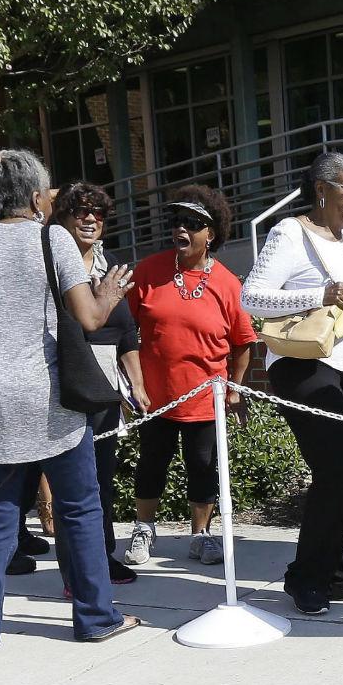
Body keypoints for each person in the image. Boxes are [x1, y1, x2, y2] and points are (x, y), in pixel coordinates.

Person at [0, 149, 138, 654]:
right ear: (31, 196)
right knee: (79, 509)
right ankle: (95, 616)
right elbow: (90, 319)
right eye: (47, 191)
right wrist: (109, 292)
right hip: (50, 402)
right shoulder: (54, 239)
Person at [241, 151, 343, 617]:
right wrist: (317, 294)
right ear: (321, 190)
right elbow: (251, 297)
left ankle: (335, 571)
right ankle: (304, 576)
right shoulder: (289, 232)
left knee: (341, 479)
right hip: (303, 366)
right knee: (333, 473)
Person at [124, 186, 252, 570]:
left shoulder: (227, 282)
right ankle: (144, 529)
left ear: (210, 234)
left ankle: (201, 535)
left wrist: (233, 389)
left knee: (201, 466)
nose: (181, 229)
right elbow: (125, 330)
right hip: (156, 396)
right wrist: (133, 384)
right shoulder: (148, 271)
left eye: (192, 223)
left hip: (205, 397)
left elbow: (243, 342)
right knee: (151, 464)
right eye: (177, 221)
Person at [54, 183, 146, 584]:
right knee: (73, 483)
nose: (90, 219)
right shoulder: (53, 264)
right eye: (80, 211)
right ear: (63, 217)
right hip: (66, 385)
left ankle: (102, 557)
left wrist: (137, 385)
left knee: (101, 478)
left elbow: (127, 333)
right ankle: (74, 568)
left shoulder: (112, 268)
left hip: (106, 385)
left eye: (98, 213)